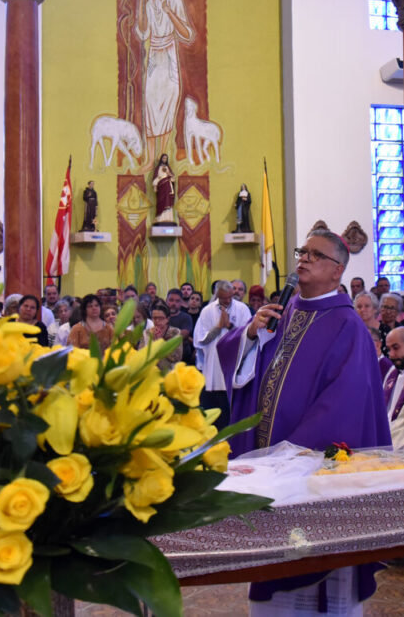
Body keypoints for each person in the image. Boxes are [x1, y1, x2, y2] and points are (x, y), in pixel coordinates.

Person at [216, 229, 391, 614]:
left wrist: (291, 454)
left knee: (315, 576)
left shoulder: (348, 326)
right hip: (271, 466)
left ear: (337, 271)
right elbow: (249, 371)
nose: (304, 259)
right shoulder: (287, 310)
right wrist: (249, 335)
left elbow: (344, 403)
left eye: (316, 254)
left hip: (309, 472)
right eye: (302, 251)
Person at [135, 0, 194, 166]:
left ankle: (163, 158)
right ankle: (150, 158)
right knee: (150, 101)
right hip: (154, 56)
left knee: (169, 100)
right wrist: (142, 2)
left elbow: (186, 34)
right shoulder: (149, 0)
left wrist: (170, 12)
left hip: (169, 55)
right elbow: (143, 31)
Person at [194, 280, 251, 426]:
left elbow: (248, 337)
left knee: (230, 418)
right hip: (213, 371)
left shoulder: (242, 309)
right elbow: (200, 340)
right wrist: (217, 328)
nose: (227, 301)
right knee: (212, 418)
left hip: (234, 368)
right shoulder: (207, 311)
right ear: (216, 295)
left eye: (229, 297)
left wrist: (230, 326)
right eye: (223, 298)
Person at [138, 302, 183, 372]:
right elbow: (141, 354)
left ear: (167, 319)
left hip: (169, 371)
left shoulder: (175, 332)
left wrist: (159, 342)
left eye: (161, 318)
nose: (157, 321)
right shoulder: (146, 333)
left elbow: (176, 357)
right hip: (150, 371)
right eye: (154, 318)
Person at [151, 154, 176, 225]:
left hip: (168, 186)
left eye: (166, 158)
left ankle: (168, 218)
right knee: (161, 201)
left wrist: (170, 174)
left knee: (168, 202)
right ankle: (160, 218)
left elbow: (173, 179)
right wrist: (155, 186)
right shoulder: (158, 168)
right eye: (164, 158)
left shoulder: (168, 167)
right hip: (161, 187)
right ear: (161, 159)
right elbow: (155, 178)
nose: (164, 159)